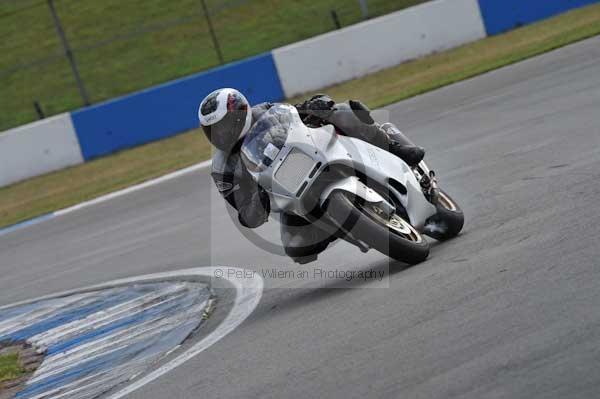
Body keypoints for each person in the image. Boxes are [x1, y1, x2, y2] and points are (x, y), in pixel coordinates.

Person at [198, 88, 426, 263]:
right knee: (297, 248)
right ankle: (346, 224)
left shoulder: (264, 111)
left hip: (312, 155)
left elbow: (295, 113)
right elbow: (247, 216)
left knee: (342, 111)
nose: (221, 134)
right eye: (212, 130)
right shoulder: (222, 169)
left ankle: (394, 146)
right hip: (289, 197)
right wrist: (258, 201)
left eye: (224, 125)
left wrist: (315, 107)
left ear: (241, 113)